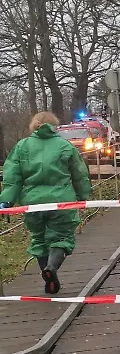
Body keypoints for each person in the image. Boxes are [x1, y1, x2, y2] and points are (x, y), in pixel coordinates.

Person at [0, 112, 91, 294]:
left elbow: (12, 177)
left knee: (39, 239)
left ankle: (46, 273)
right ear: (54, 126)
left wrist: (6, 201)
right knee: (62, 238)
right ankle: (52, 268)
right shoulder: (65, 146)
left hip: (32, 203)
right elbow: (79, 174)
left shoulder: (22, 147)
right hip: (61, 202)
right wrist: (83, 196)